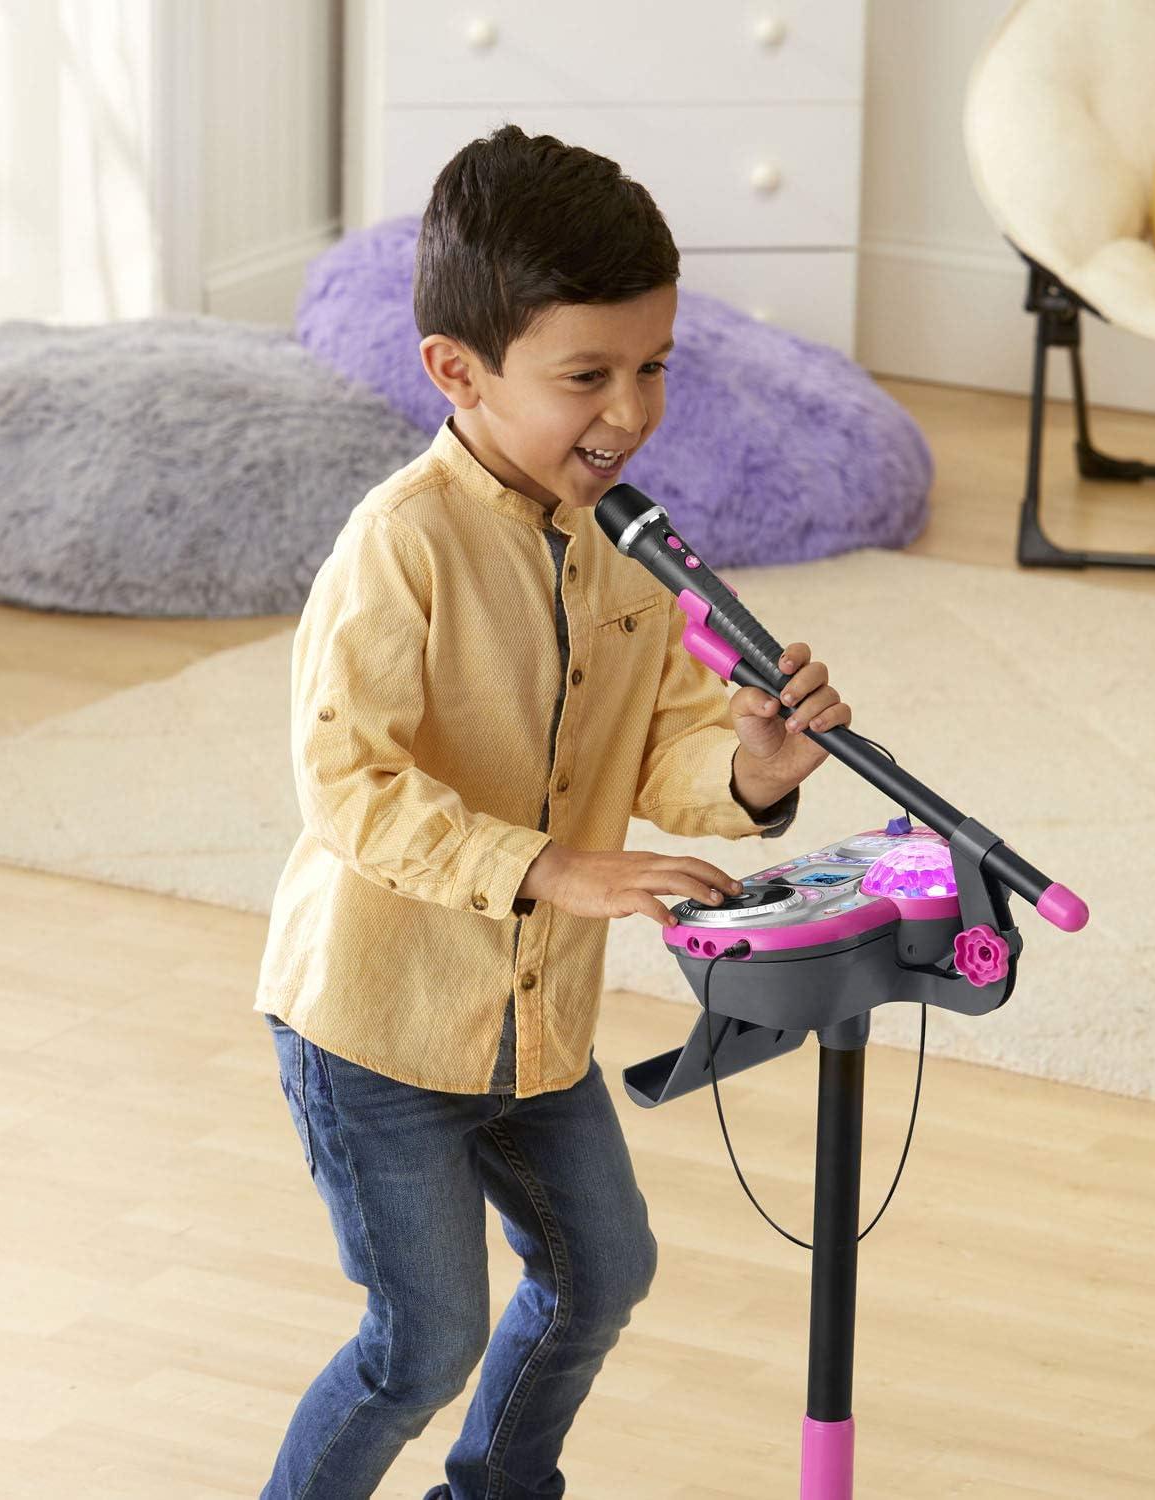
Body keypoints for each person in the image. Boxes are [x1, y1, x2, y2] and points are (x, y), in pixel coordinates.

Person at [253, 122, 852, 1499]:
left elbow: (666, 743)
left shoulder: (627, 541)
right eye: (588, 376)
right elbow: (351, 788)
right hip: (376, 1024)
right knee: (421, 1346)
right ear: (457, 372)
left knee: (602, 1275)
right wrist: (558, 870)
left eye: (654, 366)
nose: (630, 413)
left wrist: (756, 766)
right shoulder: (399, 546)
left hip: (534, 1023)